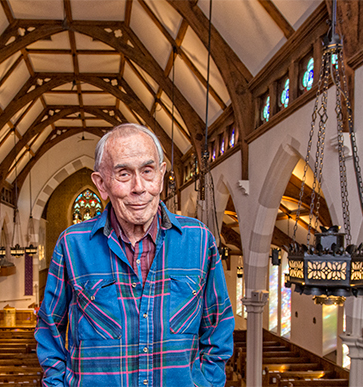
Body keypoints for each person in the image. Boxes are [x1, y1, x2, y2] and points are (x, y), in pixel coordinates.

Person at [35, 123, 234, 387]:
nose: (139, 187)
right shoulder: (72, 246)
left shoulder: (199, 242)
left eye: (148, 171)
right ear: (101, 184)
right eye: (124, 174)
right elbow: (50, 330)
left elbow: (218, 329)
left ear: (161, 177)